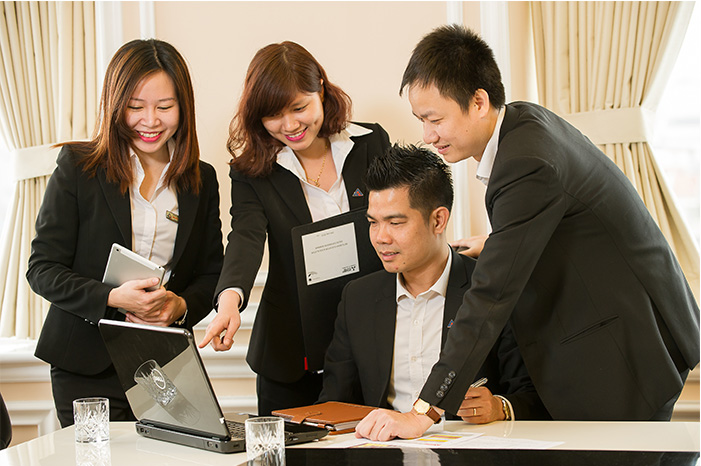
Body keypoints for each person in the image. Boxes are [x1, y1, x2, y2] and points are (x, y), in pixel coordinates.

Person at [355, 25, 700, 441]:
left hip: (625, 350)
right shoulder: (523, 122)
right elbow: (564, 218)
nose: (428, 136)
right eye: (421, 121)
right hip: (632, 329)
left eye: (435, 120)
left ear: (478, 101)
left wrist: (424, 411)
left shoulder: (526, 162)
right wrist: (497, 241)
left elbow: (491, 296)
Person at [26, 39, 223, 427]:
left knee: (170, 453)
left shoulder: (202, 179)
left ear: (183, 107)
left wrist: (179, 306)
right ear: (115, 105)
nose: (151, 121)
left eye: (164, 107)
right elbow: (42, 269)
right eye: (135, 107)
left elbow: (211, 273)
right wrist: (113, 297)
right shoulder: (78, 167)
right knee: (98, 456)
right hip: (84, 363)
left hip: (163, 365)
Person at [199, 41, 391, 415]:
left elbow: (400, 215)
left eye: (299, 108)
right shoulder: (252, 171)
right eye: (273, 115)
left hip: (368, 338)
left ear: (321, 88)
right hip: (290, 351)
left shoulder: (371, 143)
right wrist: (229, 300)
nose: (289, 126)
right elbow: (246, 236)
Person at [319, 144, 550, 427]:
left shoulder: (491, 288)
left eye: (395, 222)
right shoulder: (358, 298)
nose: (380, 237)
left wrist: (499, 407)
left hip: (472, 445)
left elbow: (536, 395)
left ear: (438, 220)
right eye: (373, 223)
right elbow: (335, 403)